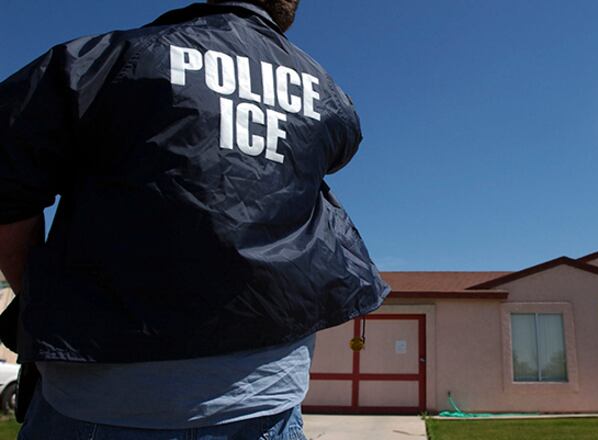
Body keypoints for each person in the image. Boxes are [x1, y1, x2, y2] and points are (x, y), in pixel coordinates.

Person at [0, 1, 389, 439]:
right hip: (267, 401)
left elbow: (8, 184)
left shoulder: (104, 60)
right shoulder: (327, 94)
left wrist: (38, 296)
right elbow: (339, 148)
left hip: (98, 398)